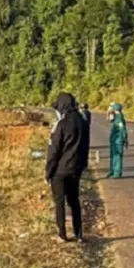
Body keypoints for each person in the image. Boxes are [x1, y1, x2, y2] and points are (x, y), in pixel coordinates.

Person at [46, 92, 89, 243]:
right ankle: (79, 234)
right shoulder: (83, 122)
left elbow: (54, 151)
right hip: (75, 169)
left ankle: (62, 234)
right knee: (74, 201)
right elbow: (85, 148)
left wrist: (48, 172)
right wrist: (82, 167)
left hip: (60, 171)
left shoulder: (61, 124)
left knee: (59, 202)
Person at [107, 102, 129, 179]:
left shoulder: (119, 117)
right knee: (113, 155)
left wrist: (125, 139)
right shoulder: (116, 116)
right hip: (114, 139)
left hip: (118, 140)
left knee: (117, 156)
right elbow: (109, 119)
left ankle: (117, 172)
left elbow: (122, 129)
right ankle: (112, 171)